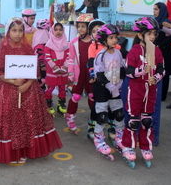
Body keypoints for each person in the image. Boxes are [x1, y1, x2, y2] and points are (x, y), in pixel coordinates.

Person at [0, 18, 62, 164]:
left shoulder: (27, 47)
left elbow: (34, 70)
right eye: (14, 30)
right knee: (10, 120)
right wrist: (12, 81)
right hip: (7, 90)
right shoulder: (3, 47)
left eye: (20, 30)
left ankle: (27, 150)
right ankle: (12, 152)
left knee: (28, 119)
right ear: (9, 31)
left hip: (28, 90)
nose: (17, 34)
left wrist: (27, 84)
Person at [122, 17, 164, 168]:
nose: (153, 37)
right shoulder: (133, 52)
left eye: (154, 34)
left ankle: (146, 147)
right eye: (149, 34)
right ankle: (128, 146)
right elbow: (128, 71)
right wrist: (141, 71)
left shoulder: (156, 50)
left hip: (151, 91)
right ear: (140, 35)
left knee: (147, 120)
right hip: (135, 91)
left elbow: (161, 68)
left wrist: (156, 77)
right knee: (133, 121)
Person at [91, 24, 125, 160]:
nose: (114, 40)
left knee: (119, 113)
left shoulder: (118, 52)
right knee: (103, 115)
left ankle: (119, 137)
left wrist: (120, 82)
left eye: (115, 37)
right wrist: (110, 85)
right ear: (104, 40)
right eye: (111, 38)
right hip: (102, 88)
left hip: (116, 87)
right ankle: (98, 138)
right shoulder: (101, 55)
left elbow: (122, 69)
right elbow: (99, 74)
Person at [65, 14, 94, 134]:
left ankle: (94, 121)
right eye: (79, 26)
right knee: (76, 97)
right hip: (79, 74)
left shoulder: (95, 42)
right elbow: (70, 59)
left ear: (89, 28)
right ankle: (70, 118)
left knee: (93, 97)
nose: (80, 29)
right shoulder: (74, 42)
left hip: (91, 75)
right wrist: (70, 74)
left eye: (83, 26)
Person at [44, 22, 69, 116]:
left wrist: (64, 66)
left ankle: (61, 104)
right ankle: (48, 104)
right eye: (56, 29)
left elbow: (68, 56)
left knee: (62, 88)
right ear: (52, 31)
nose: (58, 31)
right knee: (50, 88)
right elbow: (47, 57)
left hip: (63, 71)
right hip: (52, 71)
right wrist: (54, 66)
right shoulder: (48, 44)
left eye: (60, 29)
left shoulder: (66, 44)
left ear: (63, 31)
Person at [153, 2, 171, 101]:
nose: (154, 12)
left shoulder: (166, 22)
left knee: (164, 73)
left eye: (156, 9)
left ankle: (162, 96)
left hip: (165, 52)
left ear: (161, 10)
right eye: (153, 9)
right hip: (157, 51)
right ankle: (157, 93)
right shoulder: (155, 22)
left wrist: (160, 45)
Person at [32, 19, 51, 89]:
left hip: (40, 64)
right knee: (42, 82)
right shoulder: (44, 40)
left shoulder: (36, 34)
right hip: (42, 65)